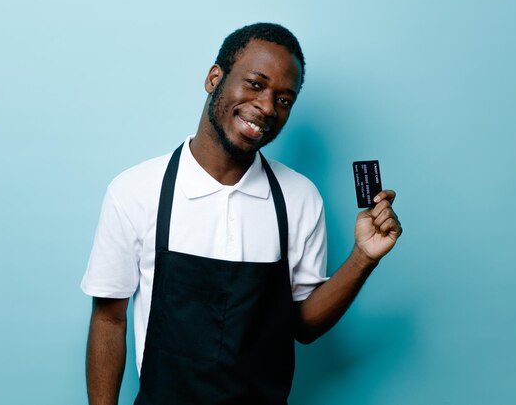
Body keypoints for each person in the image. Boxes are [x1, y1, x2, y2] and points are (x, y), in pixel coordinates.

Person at [81, 22, 402, 405]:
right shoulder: (134, 191)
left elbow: (304, 324)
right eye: (255, 83)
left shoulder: (300, 198)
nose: (267, 107)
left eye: (284, 100)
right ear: (214, 78)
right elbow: (109, 319)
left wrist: (363, 257)